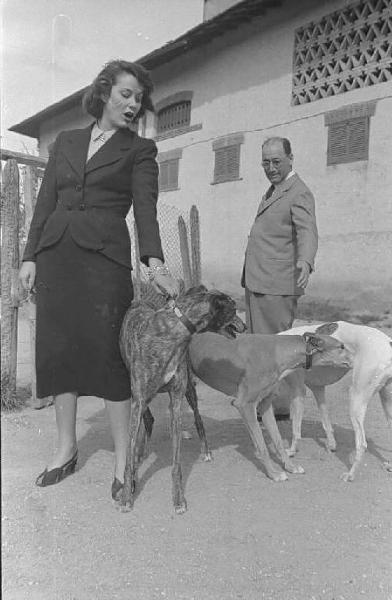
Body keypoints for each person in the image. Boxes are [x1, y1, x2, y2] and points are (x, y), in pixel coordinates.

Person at [19, 60, 178, 495]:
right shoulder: (66, 142)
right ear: (105, 91)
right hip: (56, 256)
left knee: (110, 358)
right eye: (126, 94)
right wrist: (30, 256)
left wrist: (155, 264)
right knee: (58, 351)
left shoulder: (140, 151)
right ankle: (66, 448)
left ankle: (124, 460)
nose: (133, 105)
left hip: (104, 263)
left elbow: (145, 210)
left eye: (139, 99)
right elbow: (45, 202)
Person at [242, 136, 318, 335]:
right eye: (265, 163)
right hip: (258, 281)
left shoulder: (299, 192)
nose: (271, 168)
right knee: (256, 344)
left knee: (272, 348)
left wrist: (306, 260)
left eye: (276, 162)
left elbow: (307, 230)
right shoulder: (274, 191)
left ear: (290, 158)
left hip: (276, 285)